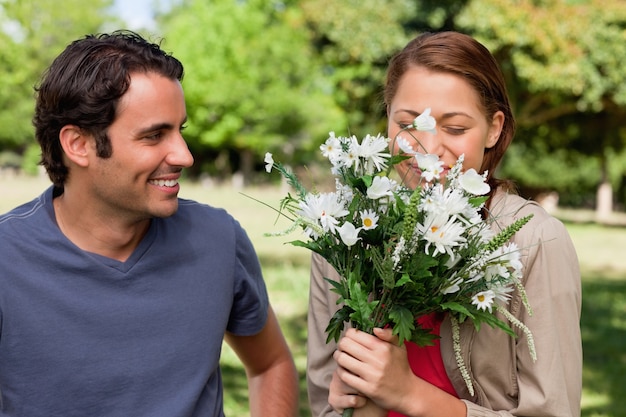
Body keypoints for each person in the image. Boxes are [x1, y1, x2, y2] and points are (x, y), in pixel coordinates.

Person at [0, 30, 298, 417]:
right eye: (154, 135)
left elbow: (271, 364)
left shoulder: (219, 238)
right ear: (78, 145)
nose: (184, 156)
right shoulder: (6, 260)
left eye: (180, 130)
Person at [306, 31, 582, 417]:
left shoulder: (535, 241)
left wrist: (411, 396)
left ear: (494, 128)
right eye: (408, 124)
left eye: (454, 128)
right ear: (387, 119)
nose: (429, 149)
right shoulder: (345, 233)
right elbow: (324, 399)